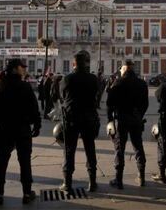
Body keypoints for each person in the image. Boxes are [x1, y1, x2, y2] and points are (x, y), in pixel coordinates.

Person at [0, 59, 41, 205]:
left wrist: (0, 122)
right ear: (15, 69)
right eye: (21, 67)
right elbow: (34, 108)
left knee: (1, 162)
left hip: (4, 130)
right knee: (24, 162)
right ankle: (26, 193)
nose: (24, 69)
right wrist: (36, 125)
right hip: (22, 129)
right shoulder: (25, 86)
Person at [59, 51, 100, 193]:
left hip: (72, 119)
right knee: (90, 149)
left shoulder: (67, 79)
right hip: (89, 117)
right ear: (86, 63)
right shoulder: (93, 79)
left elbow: (62, 97)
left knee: (69, 150)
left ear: (73, 64)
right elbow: (96, 95)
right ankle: (93, 182)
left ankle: (67, 183)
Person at [107, 60, 149, 189]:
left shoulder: (118, 83)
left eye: (121, 69)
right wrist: (139, 115)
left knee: (120, 149)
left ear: (124, 69)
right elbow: (145, 104)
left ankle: (118, 180)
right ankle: (141, 177)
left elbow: (109, 104)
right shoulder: (142, 83)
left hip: (122, 119)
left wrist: (110, 120)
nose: (120, 71)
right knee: (138, 147)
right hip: (136, 119)